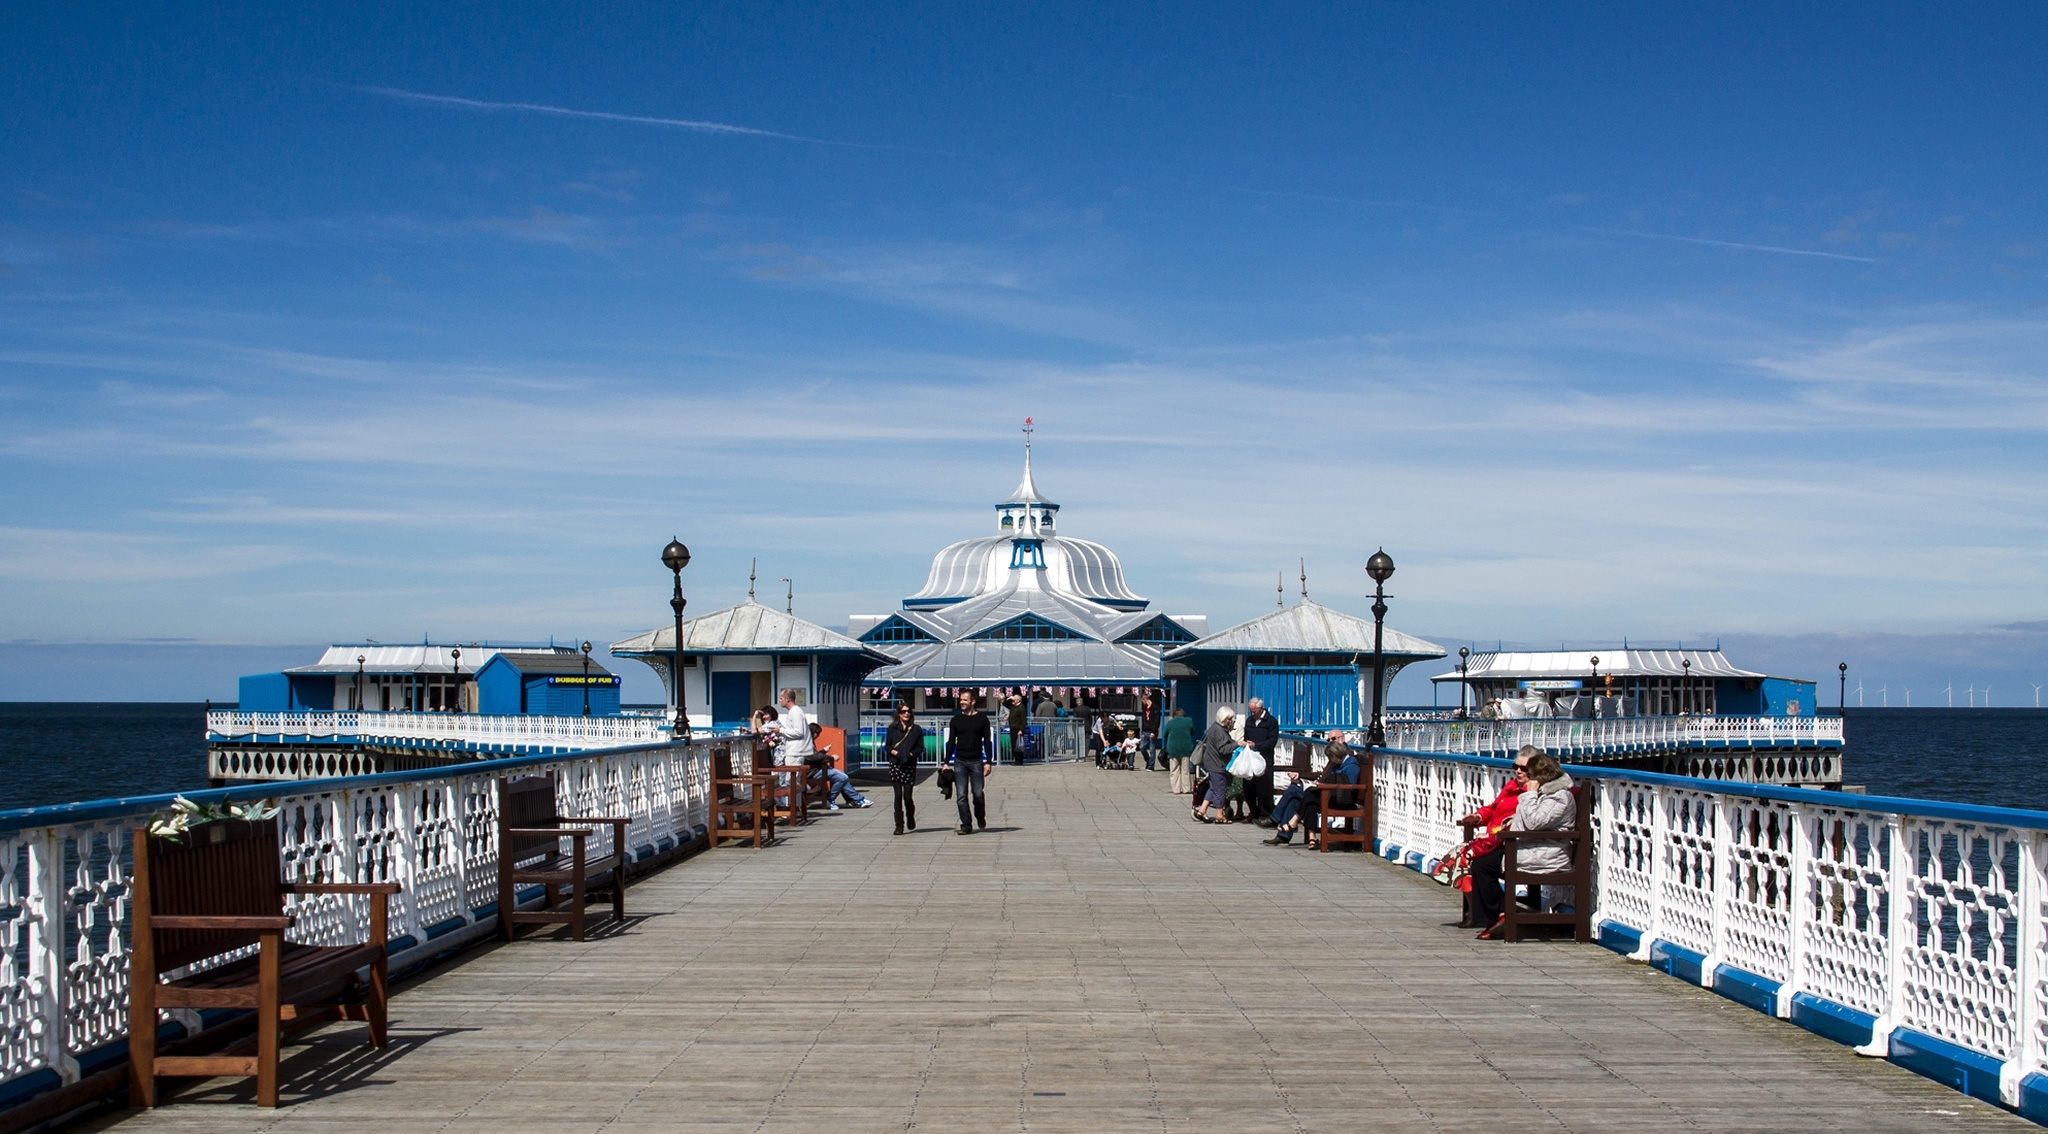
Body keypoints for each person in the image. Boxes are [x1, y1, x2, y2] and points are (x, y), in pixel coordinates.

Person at [1472, 750, 1574, 939]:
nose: (1523, 776)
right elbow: (1529, 820)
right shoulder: (1546, 794)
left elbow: (1534, 822)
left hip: (1546, 853)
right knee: (1480, 863)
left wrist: (1530, 794)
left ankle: (1498, 915)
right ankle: (1498, 915)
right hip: (1532, 847)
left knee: (1483, 866)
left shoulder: (1559, 796)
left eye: (1529, 773)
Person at [1453, 745, 1534, 926]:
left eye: (1524, 768)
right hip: (1493, 840)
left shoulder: (1530, 793)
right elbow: (1493, 808)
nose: (1518, 772)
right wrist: (1478, 817)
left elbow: (1521, 822)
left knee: (1468, 859)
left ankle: (1487, 912)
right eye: (1516, 767)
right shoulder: (1511, 786)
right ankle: (1483, 910)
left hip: (1507, 842)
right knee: (1461, 858)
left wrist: (1495, 834)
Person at [1263, 730, 1358, 846]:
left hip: (1336, 798)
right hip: (1326, 793)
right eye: (1328, 740)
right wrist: (1303, 776)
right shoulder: (1337, 759)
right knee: (1299, 799)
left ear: (1342, 739)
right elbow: (1324, 775)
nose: (1329, 742)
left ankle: (1276, 819)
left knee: (1296, 792)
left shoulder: (1346, 760)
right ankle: (1289, 836)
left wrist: (1324, 785)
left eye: (1333, 739)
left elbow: (1348, 787)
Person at [944, 690, 995, 834]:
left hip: (976, 761)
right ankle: (966, 824)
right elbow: (951, 742)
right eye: (961, 700)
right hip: (960, 761)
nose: (962, 702)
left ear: (973, 701)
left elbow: (987, 742)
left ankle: (980, 815)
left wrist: (988, 762)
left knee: (978, 793)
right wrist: (946, 762)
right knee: (961, 795)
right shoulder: (956, 720)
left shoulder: (982, 719)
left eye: (965, 700)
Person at [883, 704, 924, 835]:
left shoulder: (916, 730)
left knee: (907, 796)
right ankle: (899, 825)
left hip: (909, 764)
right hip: (896, 763)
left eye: (908, 711)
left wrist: (911, 754)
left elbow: (920, 748)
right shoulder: (892, 728)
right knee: (898, 795)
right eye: (903, 712)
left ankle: (910, 816)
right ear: (898, 714)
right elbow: (887, 746)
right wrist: (895, 753)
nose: (906, 714)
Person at [1241, 697, 1279, 826]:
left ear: (1261, 709)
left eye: (1254, 711)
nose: (1252, 714)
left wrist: (1256, 745)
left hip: (1264, 759)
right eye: (1251, 711)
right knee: (1248, 787)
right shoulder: (1249, 721)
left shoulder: (1271, 722)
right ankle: (1253, 811)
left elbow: (1272, 742)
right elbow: (1246, 737)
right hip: (1250, 759)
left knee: (1264, 788)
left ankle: (1265, 814)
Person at [1195, 706, 1237, 824]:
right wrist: (1237, 744)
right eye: (1228, 719)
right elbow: (1223, 749)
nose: (1230, 721)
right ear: (1222, 718)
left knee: (1213, 788)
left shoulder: (1215, 727)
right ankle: (1219, 815)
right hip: (1217, 764)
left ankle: (1202, 810)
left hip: (1211, 763)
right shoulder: (1219, 730)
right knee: (1220, 789)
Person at [1162, 708, 1197, 795]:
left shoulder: (1170, 722)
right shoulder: (1189, 721)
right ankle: (1186, 789)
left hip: (1173, 749)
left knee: (1174, 770)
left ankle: (1176, 790)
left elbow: (1165, 734)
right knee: (1186, 770)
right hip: (1186, 748)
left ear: (1175, 714)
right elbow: (1193, 731)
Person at [1138, 692, 1162, 771]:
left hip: (1152, 731)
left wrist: (1154, 731)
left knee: (1152, 749)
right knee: (1142, 747)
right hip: (1145, 730)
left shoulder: (1155, 708)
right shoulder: (1145, 708)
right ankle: (1148, 760)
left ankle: (1151, 766)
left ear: (1145, 699)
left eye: (1142, 700)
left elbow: (1157, 720)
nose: (1142, 702)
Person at [1006, 695, 1028, 763]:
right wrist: (1009, 698)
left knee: (1018, 745)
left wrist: (1021, 729)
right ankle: (1016, 759)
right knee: (1013, 744)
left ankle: (1019, 760)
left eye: (1014, 700)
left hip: (1018, 728)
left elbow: (1023, 720)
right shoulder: (1013, 706)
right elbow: (1004, 703)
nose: (1013, 701)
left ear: (1018, 700)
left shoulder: (1021, 708)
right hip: (1012, 727)